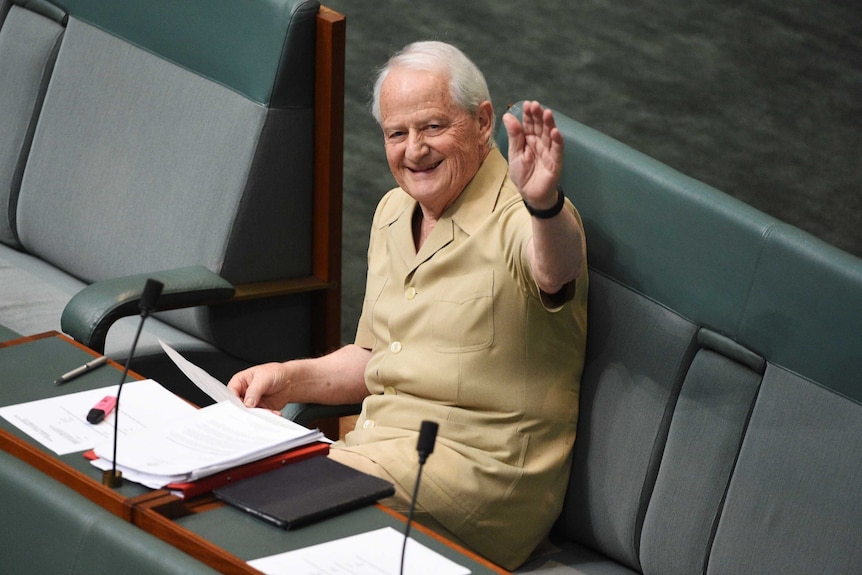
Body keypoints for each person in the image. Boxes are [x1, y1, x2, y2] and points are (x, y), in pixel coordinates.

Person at [228, 40, 588, 570]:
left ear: (483, 121)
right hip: (381, 452)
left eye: (433, 127)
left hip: (480, 476)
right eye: (398, 134)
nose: (414, 149)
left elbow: (556, 270)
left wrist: (544, 202)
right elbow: (374, 355)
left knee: (277, 502)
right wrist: (287, 378)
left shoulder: (524, 213)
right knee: (236, 488)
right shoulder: (394, 212)